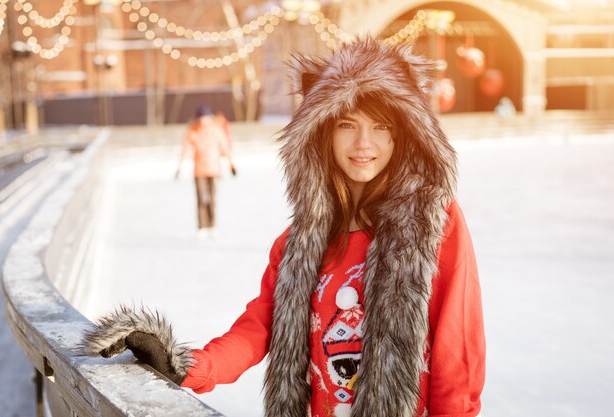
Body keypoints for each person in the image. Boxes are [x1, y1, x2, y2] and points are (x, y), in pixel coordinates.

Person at [83, 37, 485, 417]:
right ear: (322, 133)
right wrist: (184, 366)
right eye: (347, 124)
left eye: (382, 127)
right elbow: (259, 327)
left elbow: (457, 350)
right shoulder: (299, 244)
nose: (365, 143)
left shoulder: (434, 224)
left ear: (404, 136)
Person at [175, 105, 235, 239]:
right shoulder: (193, 131)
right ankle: (202, 227)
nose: (204, 121)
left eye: (206, 118)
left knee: (212, 200)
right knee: (201, 199)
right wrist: (179, 167)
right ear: (197, 119)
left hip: (214, 170)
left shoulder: (216, 131)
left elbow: (224, 147)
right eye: (201, 118)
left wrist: (231, 164)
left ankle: (212, 226)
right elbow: (185, 149)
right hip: (199, 171)